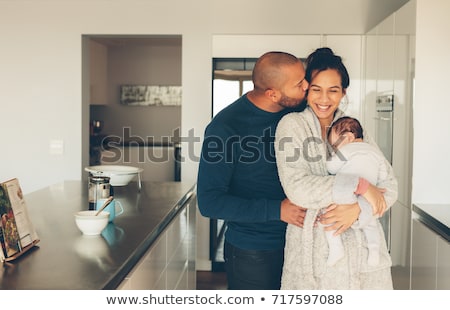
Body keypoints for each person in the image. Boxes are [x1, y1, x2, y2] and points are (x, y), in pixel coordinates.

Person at [275, 47, 398, 289]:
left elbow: (390, 186)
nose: (324, 99)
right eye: (316, 90)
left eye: (333, 90)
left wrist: (358, 209)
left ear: (343, 92)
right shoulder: (292, 126)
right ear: (306, 89)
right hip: (314, 256)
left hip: (364, 256)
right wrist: (362, 187)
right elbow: (297, 187)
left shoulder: (353, 129)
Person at [197, 51, 309, 290]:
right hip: (254, 252)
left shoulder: (295, 112)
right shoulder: (225, 128)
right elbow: (209, 202)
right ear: (272, 94)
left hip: (301, 243)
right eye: (299, 84)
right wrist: (277, 210)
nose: (307, 87)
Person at [324, 116, 390, 267]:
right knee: (371, 224)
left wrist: (332, 157)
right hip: (368, 197)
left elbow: (331, 168)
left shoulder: (346, 150)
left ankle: (336, 248)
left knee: (327, 215)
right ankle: (374, 252)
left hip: (348, 191)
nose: (335, 149)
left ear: (347, 137)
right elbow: (384, 175)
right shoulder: (375, 151)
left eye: (335, 145)